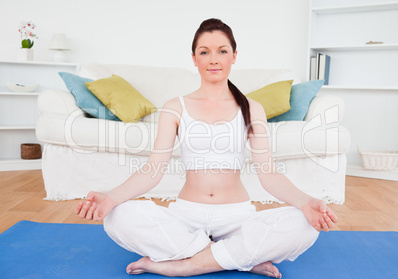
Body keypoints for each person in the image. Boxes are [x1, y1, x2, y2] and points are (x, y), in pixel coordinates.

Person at [75, 18, 338, 278]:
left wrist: (306, 202)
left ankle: (185, 265)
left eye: (222, 51)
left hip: (238, 216)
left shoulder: (252, 108)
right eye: (205, 52)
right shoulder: (175, 107)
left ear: (234, 56)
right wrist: (110, 197)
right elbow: (152, 170)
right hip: (186, 215)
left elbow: (268, 174)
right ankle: (237, 259)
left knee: (305, 225)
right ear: (194, 58)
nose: (213, 59)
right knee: (116, 215)